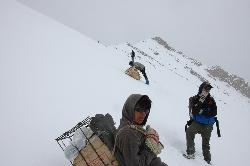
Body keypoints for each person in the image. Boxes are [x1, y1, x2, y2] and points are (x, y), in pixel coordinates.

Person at [113, 94, 167, 166]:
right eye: (140, 109)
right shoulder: (128, 133)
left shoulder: (134, 129)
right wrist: (150, 149)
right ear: (130, 108)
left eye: (146, 110)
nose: (143, 114)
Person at [185, 82, 217, 164]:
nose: (207, 91)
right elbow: (195, 111)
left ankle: (207, 160)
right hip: (198, 123)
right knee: (189, 132)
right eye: (205, 89)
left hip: (208, 125)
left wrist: (203, 112)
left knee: (206, 143)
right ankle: (191, 153)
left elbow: (214, 112)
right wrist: (201, 101)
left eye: (208, 89)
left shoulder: (211, 100)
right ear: (201, 89)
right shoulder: (196, 98)